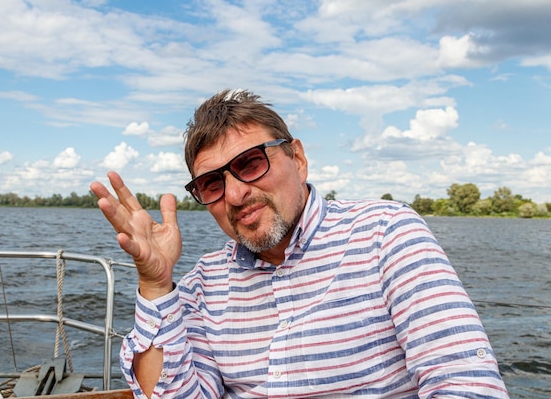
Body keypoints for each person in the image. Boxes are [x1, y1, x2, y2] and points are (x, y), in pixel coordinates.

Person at [90, 89, 509, 399]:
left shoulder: (386, 234)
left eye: (250, 163)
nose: (235, 195)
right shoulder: (203, 285)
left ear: (298, 158)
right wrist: (157, 285)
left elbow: (464, 384)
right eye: (212, 183)